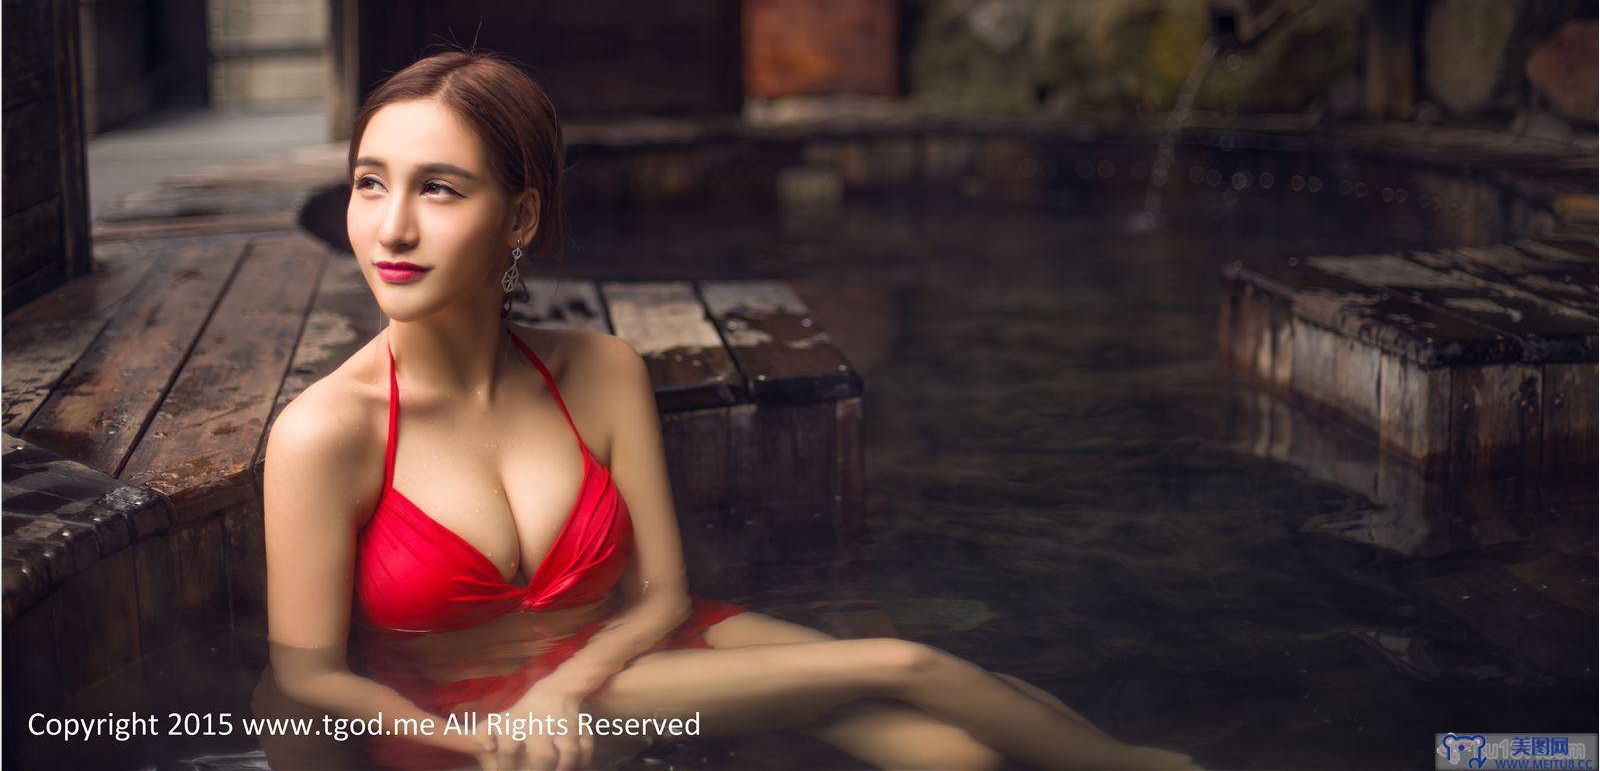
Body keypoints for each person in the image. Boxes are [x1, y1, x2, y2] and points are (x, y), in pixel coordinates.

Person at [253, 47, 1201, 771]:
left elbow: (661, 594)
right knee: (901, 667)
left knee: (955, 755)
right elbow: (302, 678)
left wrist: (569, 687)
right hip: (468, 716)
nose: (392, 227)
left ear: (522, 218)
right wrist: (488, 735)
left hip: (625, 654)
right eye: (370, 183)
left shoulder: (602, 370)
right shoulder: (326, 432)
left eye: (439, 189)